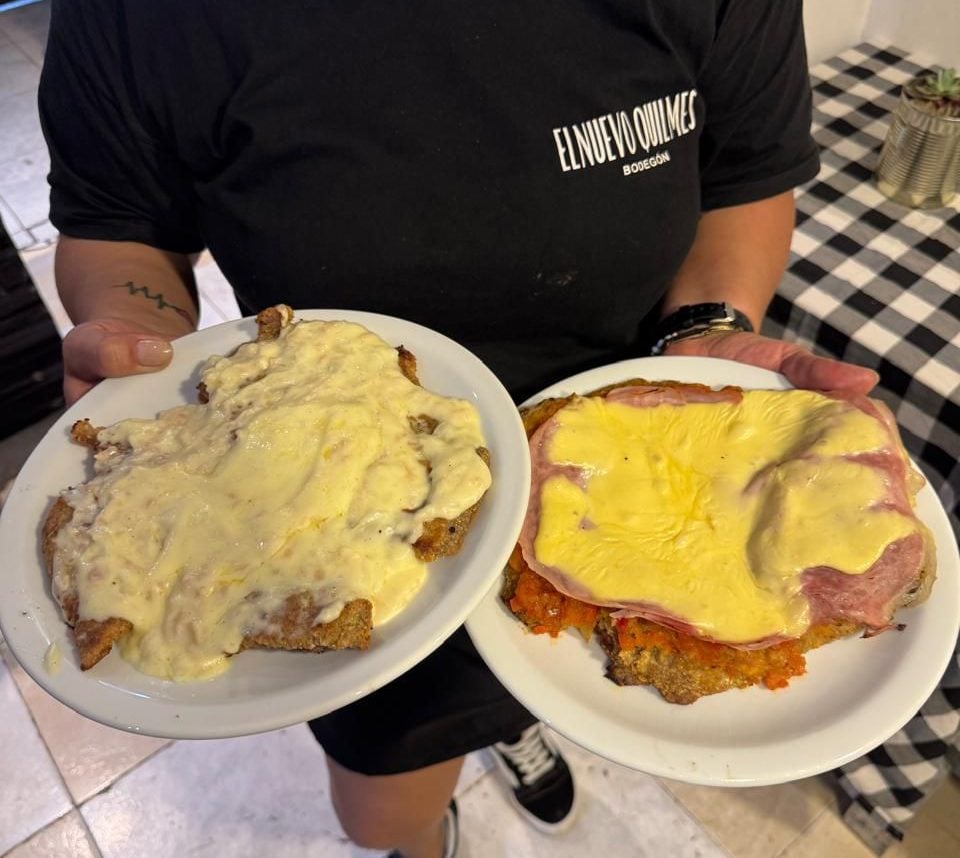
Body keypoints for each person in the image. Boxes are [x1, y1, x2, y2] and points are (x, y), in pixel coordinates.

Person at [39, 1, 880, 856]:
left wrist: (702, 340)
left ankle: (509, 724)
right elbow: (116, 230)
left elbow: (744, 175)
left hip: (636, 471)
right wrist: (142, 350)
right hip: (312, 517)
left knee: (541, 683)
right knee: (383, 816)